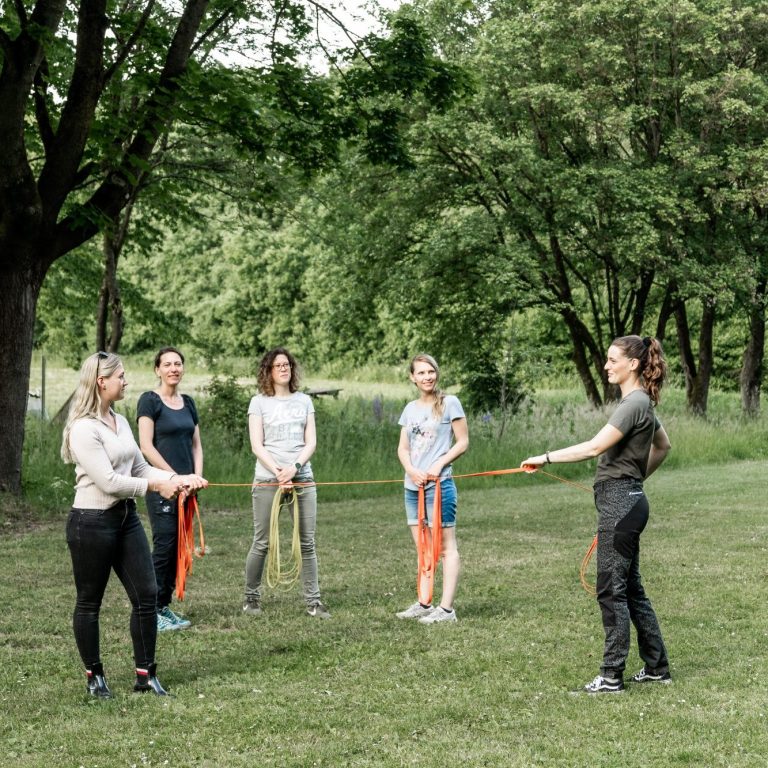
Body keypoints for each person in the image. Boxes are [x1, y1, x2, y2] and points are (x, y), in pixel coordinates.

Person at [521, 335, 672, 694]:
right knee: (630, 589)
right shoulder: (642, 402)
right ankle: (656, 667)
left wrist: (544, 457)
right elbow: (663, 445)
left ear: (632, 364)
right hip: (628, 501)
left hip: (622, 504)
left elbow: (594, 447)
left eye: (611, 360)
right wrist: (635, 478)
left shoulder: (633, 403)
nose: (606, 366)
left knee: (611, 590)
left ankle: (611, 675)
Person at [61, 352, 207, 699]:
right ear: (102, 381)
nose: (126, 382)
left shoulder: (120, 421)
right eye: (121, 377)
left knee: (146, 595)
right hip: (91, 523)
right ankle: (95, 677)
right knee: (89, 602)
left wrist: (178, 478)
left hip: (125, 520)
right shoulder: (83, 429)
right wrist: (158, 487)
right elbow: (110, 481)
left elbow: (139, 468)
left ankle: (146, 676)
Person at [243, 347, 329, 619]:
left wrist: (294, 468)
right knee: (262, 542)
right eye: (278, 365)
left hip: (302, 478)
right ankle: (251, 599)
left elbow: (311, 442)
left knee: (307, 543)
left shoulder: (303, 401)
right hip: (268, 479)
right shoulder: (258, 402)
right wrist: (279, 472)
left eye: (287, 365)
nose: (284, 368)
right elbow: (257, 445)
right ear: (268, 371)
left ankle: (314, 602)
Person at [396, 354, 469, 624]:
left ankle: (447, 609)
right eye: (421, 373)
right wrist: (412, 471)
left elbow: (462, 442)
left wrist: (439, 464)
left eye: (431, 372)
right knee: (423, 548)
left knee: (446, 547)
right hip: (412, 487)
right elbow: (403, 448)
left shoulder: (450, 403)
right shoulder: (410, 409)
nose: (427, 377)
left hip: (439, 486)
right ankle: (425, 602)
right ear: (412, 377)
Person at [138, 346, 204, 632]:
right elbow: (145, 446)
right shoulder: (149, 401)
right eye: (167, 364)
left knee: (178, 546)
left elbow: (196, 445)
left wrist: (196, 479)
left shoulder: (188, 403)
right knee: (164, 546)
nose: (174, 368)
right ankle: (150, 611)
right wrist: (175, 477)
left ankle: (163, 607)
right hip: (163, 486)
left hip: (187, 489)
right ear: (158, 369)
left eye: (178, 364)